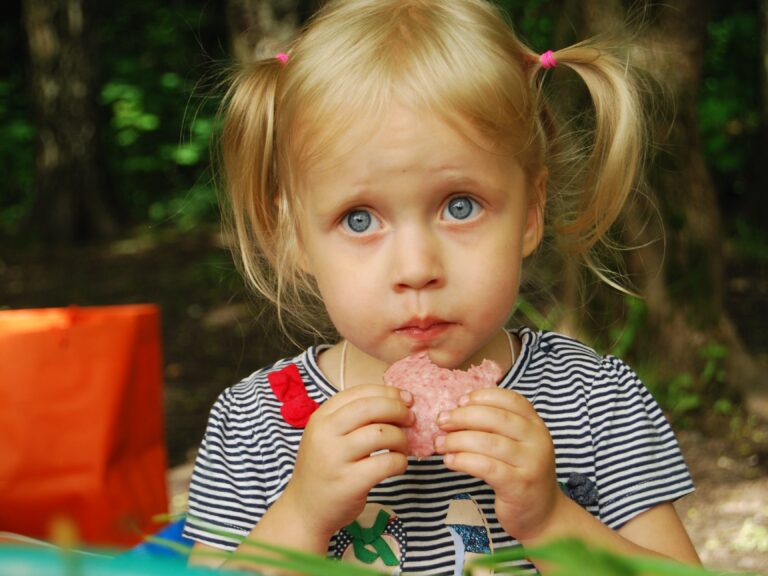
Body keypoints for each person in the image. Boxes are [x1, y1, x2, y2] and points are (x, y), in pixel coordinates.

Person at [183, 0, 701, 573]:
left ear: (531, 212)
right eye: (360, 219)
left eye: (460, 206)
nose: (416, 266)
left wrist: (552, 521)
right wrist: (302, 518)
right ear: (295, 237)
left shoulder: (595, 403)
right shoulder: (256, 426)